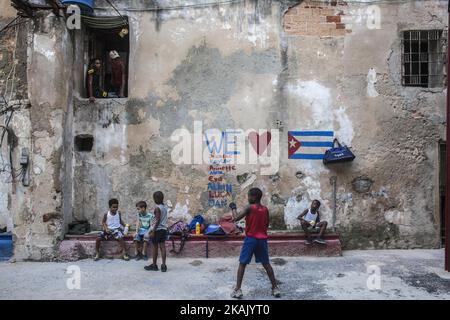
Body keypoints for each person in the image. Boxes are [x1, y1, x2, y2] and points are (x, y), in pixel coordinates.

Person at [229, 188, 281, 299]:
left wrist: (233, 208)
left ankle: (238, 290)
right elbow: (266, 225)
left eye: (248, 196)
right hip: (262, 240)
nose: (248, 198)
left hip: (251, 239)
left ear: (253, 197)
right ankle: (275, 288)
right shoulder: (265, 209)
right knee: (266, 264)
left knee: (242, 264)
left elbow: (235, 218)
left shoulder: (250, 207)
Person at [144, 191, 168, 272]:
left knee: (155, 248)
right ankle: (164, 265)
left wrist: (153, 231)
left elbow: (157, 220)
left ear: (156, 199)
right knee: (163, 247)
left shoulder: (157, 208)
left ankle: (154, 265)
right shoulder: (164, 207)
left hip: (157, 230)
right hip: (164, 229)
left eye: (154, 198)